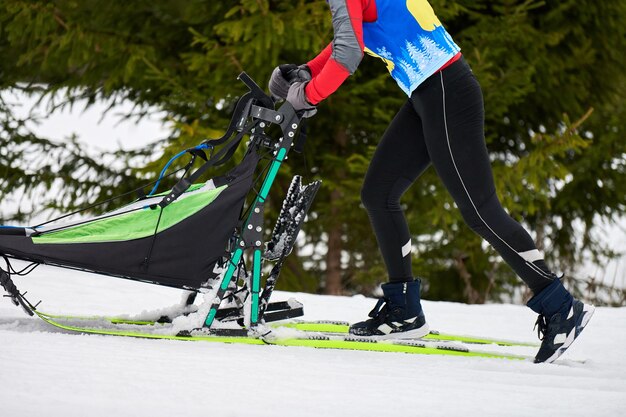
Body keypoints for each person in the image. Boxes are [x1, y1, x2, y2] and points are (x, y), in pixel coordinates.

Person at [268, 0, 594, 363]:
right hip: (429, 92)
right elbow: (353, 36)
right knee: (379, 193)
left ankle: (559, 305)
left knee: (481, 211)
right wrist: (304, 71)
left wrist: (307, 96)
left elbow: (347, 55)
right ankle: (403, 310)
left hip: (445, 92)